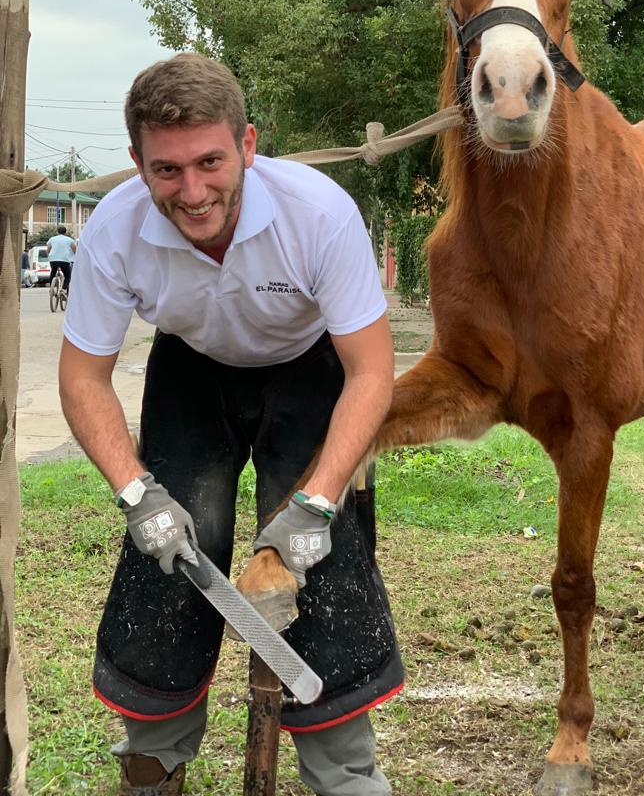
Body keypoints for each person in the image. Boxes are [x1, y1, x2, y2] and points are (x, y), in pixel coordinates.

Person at [57, 52, 403, 796]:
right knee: (171, 558)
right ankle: (152, 767)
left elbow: (373, 372)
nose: (192, 190)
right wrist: (135, 494)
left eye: (210, 161)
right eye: (167, 170)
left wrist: (315, 505)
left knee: (327, 557)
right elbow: (82, 376)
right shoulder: (113, 230)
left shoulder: (319, 213)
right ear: (137, 162)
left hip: (310, 365)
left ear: (247, 145)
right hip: (192, 367)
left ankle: (347, 778)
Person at [46, 224, 76, 293]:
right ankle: (64, 288)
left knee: (53, 272)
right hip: (65, 260)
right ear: (65, 232)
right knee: (68, 275)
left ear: (57, 232)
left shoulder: (52, 239)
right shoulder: (70, 240)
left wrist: (49, 257)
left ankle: (51, 288)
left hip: (53, 259)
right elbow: (75, 250)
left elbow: (48, 249)